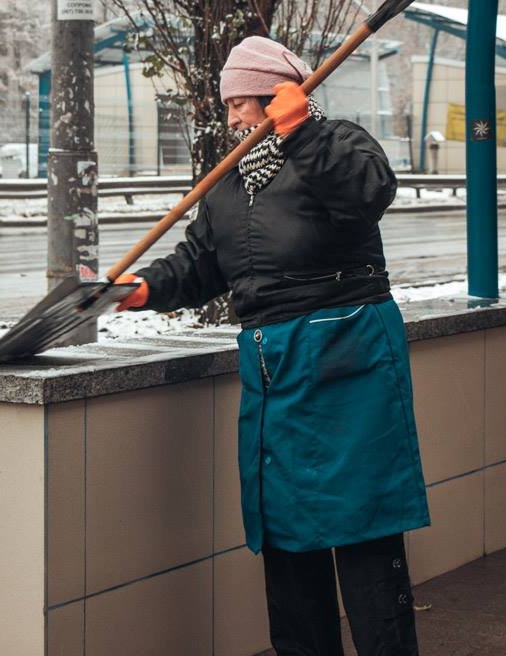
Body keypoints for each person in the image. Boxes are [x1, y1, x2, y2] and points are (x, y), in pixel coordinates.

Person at [115, 35, 430, 656]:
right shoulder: (231, 182)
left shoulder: (337, 141)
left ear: (279, 95)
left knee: (363, 532)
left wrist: (303, 134)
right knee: (286, 534)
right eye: (230, 105)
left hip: (350, 362)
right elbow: (202, 263)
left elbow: (371, 193)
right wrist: (144, 289)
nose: (233, 117)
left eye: (241, 103)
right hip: (275, 373)